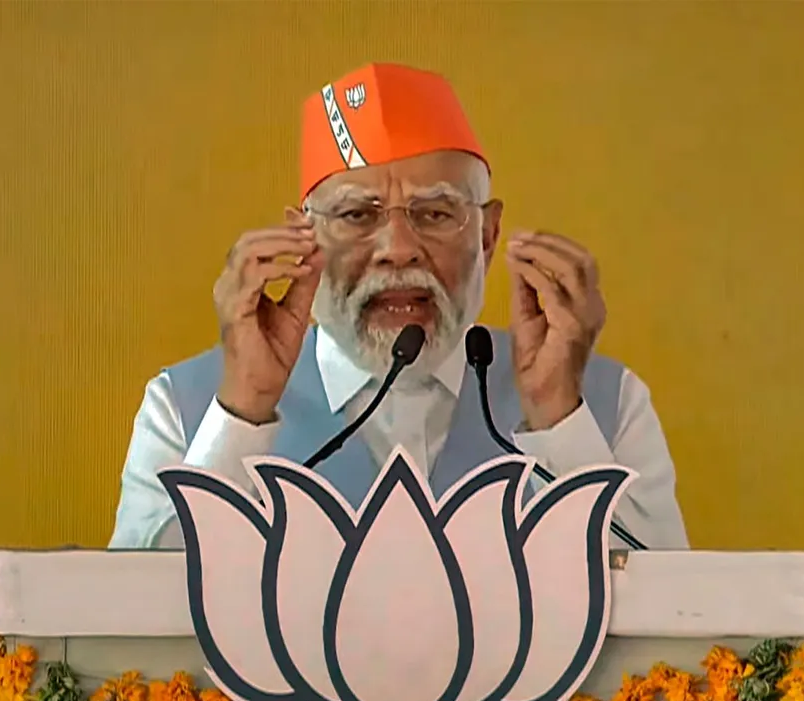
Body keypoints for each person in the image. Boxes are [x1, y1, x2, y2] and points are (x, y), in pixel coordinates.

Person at [109, 62, 689, 550]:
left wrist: (559, 419)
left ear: (486, 236)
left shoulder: (611, 405)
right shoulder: (181, 409)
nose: (398, 249)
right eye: (357, 215)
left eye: (435, 213)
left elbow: (679, 625)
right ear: (303, 240)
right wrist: (243, 411)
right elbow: (132, 633)